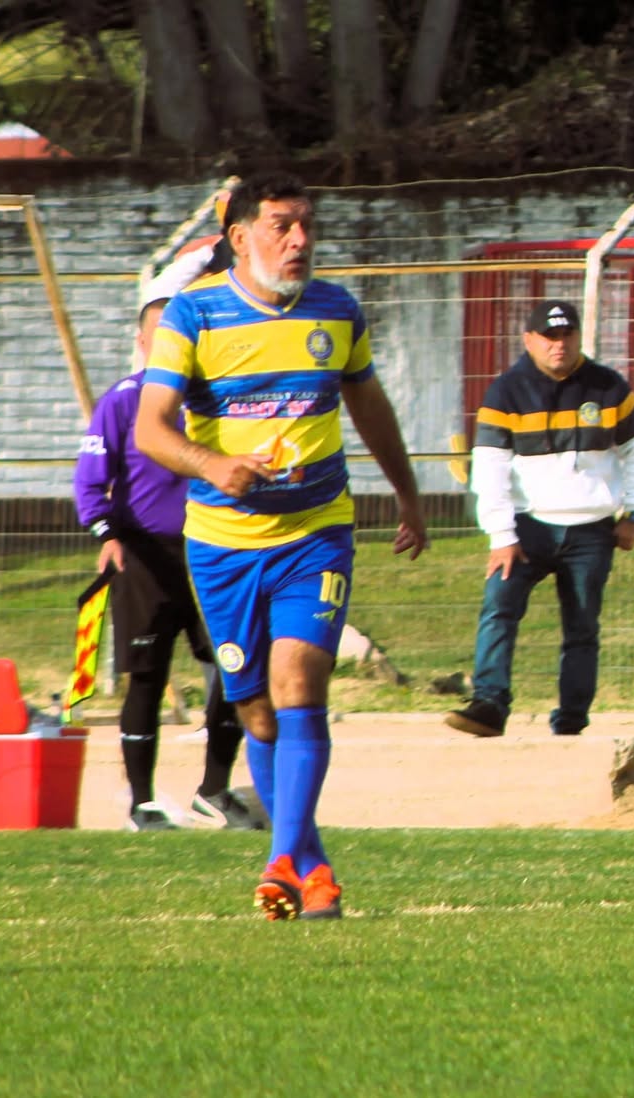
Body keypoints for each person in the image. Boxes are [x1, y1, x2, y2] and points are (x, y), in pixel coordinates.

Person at [134, 170, 428, 920]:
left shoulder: (337, 310)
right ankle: (313, 866)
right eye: (281, 226)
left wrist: (407, 491)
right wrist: (213, 465)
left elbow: (368, 402)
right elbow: (151, 428)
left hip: (316, 534)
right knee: (258, 713)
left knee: (300, 685)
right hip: (223, 547)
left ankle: (279, 862)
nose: (299, 240)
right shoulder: (193, 314)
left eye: (306, 226)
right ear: (240, 237)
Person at [73, 249, 261, 832]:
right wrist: (107, 534)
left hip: (216, 549)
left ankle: (214, 791)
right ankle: (141, 803)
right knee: (147, 677)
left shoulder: (217, 397)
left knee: (235, 666)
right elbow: (89, 482)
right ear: (141, 341)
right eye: (156, 338)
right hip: (146, 556)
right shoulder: (123, 402)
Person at [446, 300, 634, 739]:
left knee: (582, 627)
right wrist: (501, 535)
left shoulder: (608, 386)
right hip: (527, 526)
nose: (558, 344)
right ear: (529, 340)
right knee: (499, 608)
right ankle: (489, 704)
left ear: (578, 337)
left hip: (592, 529)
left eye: (566, 335)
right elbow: (489, 468)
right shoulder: (505, 392)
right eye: (549, 336)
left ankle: (571, 722)